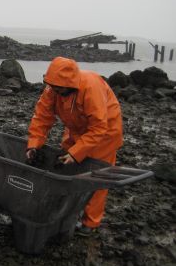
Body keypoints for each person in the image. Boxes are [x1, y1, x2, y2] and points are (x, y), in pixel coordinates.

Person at [26, 57, 123, 236]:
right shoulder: (53, 89)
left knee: (97, 177)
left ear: (69, 83)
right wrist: (33, 145)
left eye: (58, 88)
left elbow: (99, 127)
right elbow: (41, 117)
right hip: (76, 128)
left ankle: (90, 222)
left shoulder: (91, 88)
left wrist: (76, 153)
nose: (53, 90)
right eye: (52, 86)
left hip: (106, 133)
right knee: (66, 167)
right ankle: (65, 212)